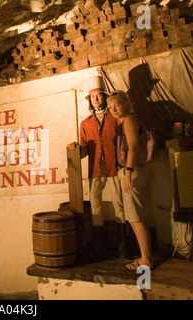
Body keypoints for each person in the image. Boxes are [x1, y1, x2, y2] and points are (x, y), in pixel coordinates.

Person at [68, 76, 127, 260]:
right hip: (95, 170)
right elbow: (85, 149)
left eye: (99, 96)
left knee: (120, 206)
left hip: (114, 168)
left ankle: (123, 247)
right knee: (95, 208)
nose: (96, 100)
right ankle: (99, 249)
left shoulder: (115, 118)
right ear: (90, 101)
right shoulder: (85, 123)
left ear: (104, 97)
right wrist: (75, 148)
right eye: (93, 98)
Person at [107, 90, 156, 270]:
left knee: (136, 217)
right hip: (133, 171)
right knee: (135, 216)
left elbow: (133, 147)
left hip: (132, 172)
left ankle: (146, 260)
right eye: (111, 107)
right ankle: (146, 257)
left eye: (117, 105)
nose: (114, 109)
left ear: (126, 104)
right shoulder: (126, 121)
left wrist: (127, 172)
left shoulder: (128, 119)